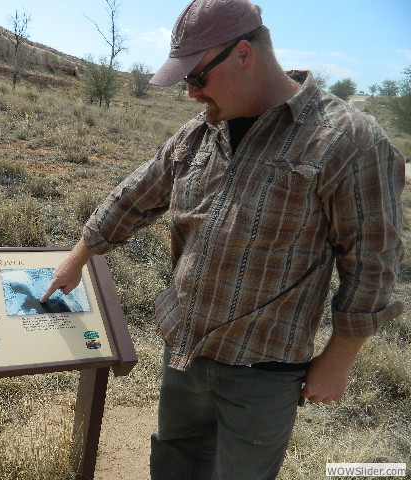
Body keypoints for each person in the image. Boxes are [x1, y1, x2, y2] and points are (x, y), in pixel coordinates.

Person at [40, 0, 406, 478]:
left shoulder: (349, 141)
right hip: (184, 352)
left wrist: (337, 361)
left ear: (242, 54)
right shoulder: (201, 133)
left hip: (262, 369)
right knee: (174, 460)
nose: (191, 94)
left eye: (196, 78)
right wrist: (78, 258)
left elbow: (373, 264)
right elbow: (135, 195)